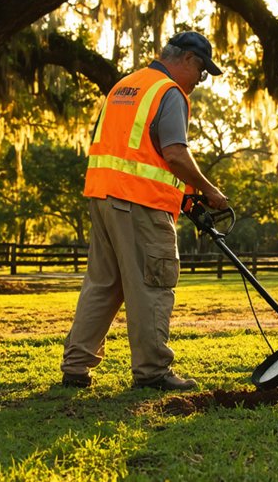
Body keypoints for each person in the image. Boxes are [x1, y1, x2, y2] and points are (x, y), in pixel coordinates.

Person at [60, 31, 228, 391]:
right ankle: (153, 371)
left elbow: (134, 151)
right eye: (201, 71)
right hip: (139, 205)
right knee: (154, 283)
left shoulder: (126, 85)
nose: (200, 81)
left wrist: (182, 195)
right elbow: (174, 154)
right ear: (187, 60)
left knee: (103, 284)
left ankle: (76, 365)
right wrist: (207, 189)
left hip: (104, 198)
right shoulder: (169, 93)